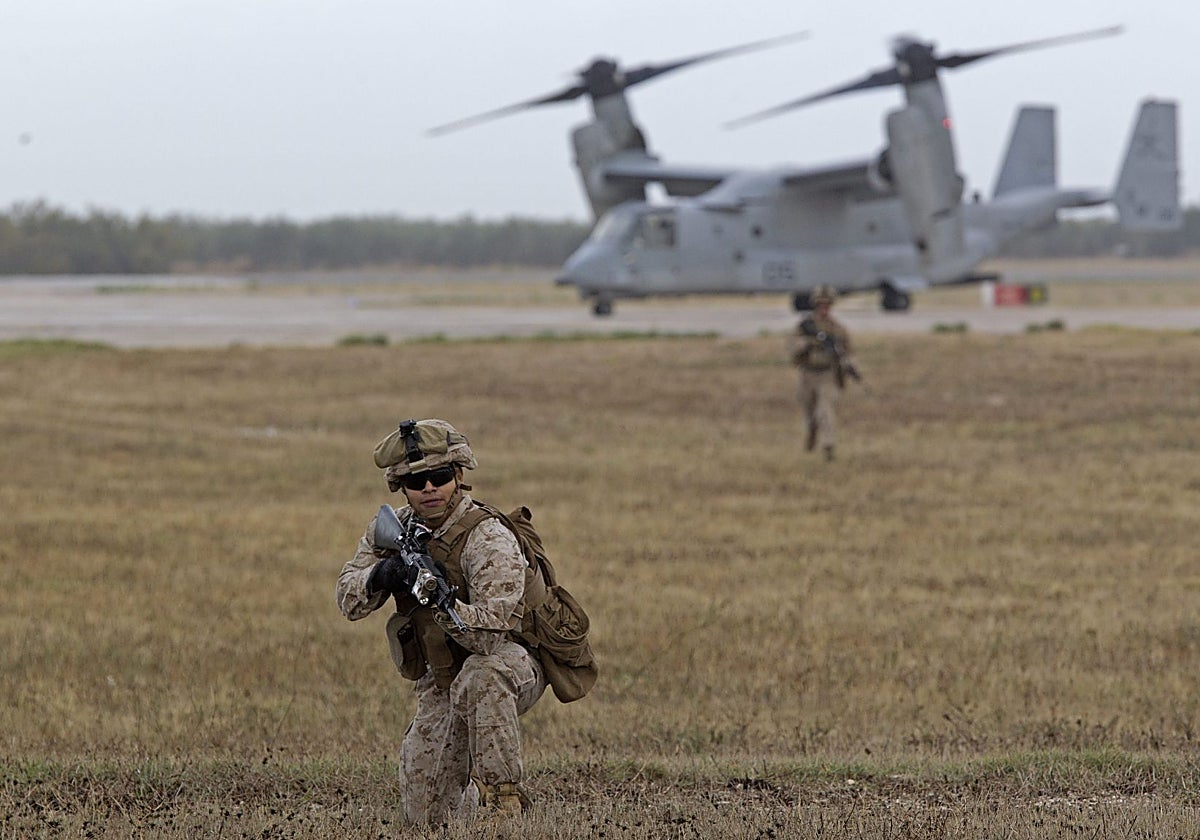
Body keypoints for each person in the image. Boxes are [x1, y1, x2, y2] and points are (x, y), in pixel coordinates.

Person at [335, 418, 546, 824]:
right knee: (427, 815)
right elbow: (347, 600)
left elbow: (489, 637)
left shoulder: (488, 537)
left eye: (441, 477)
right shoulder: (395, 530)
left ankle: (504, 798)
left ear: (459, 476)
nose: (429, 488)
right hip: (445, 672)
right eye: (417, 482)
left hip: (513, 662)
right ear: (401, 487)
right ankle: (466, 799)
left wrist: (440, 599)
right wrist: (382, 575)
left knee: (483, 675)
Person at [789, 285, 857, 460]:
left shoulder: (838, 329)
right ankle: (811, 434)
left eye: (827, 305)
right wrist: (807, 343)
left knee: (824, 411)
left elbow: (849, 351)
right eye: (821, 305)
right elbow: (793, 348)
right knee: (810, 414)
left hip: (827, 375)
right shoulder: (805, 326)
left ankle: (828, 446)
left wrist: (849, 364)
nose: (824, 309)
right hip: (807, 375)